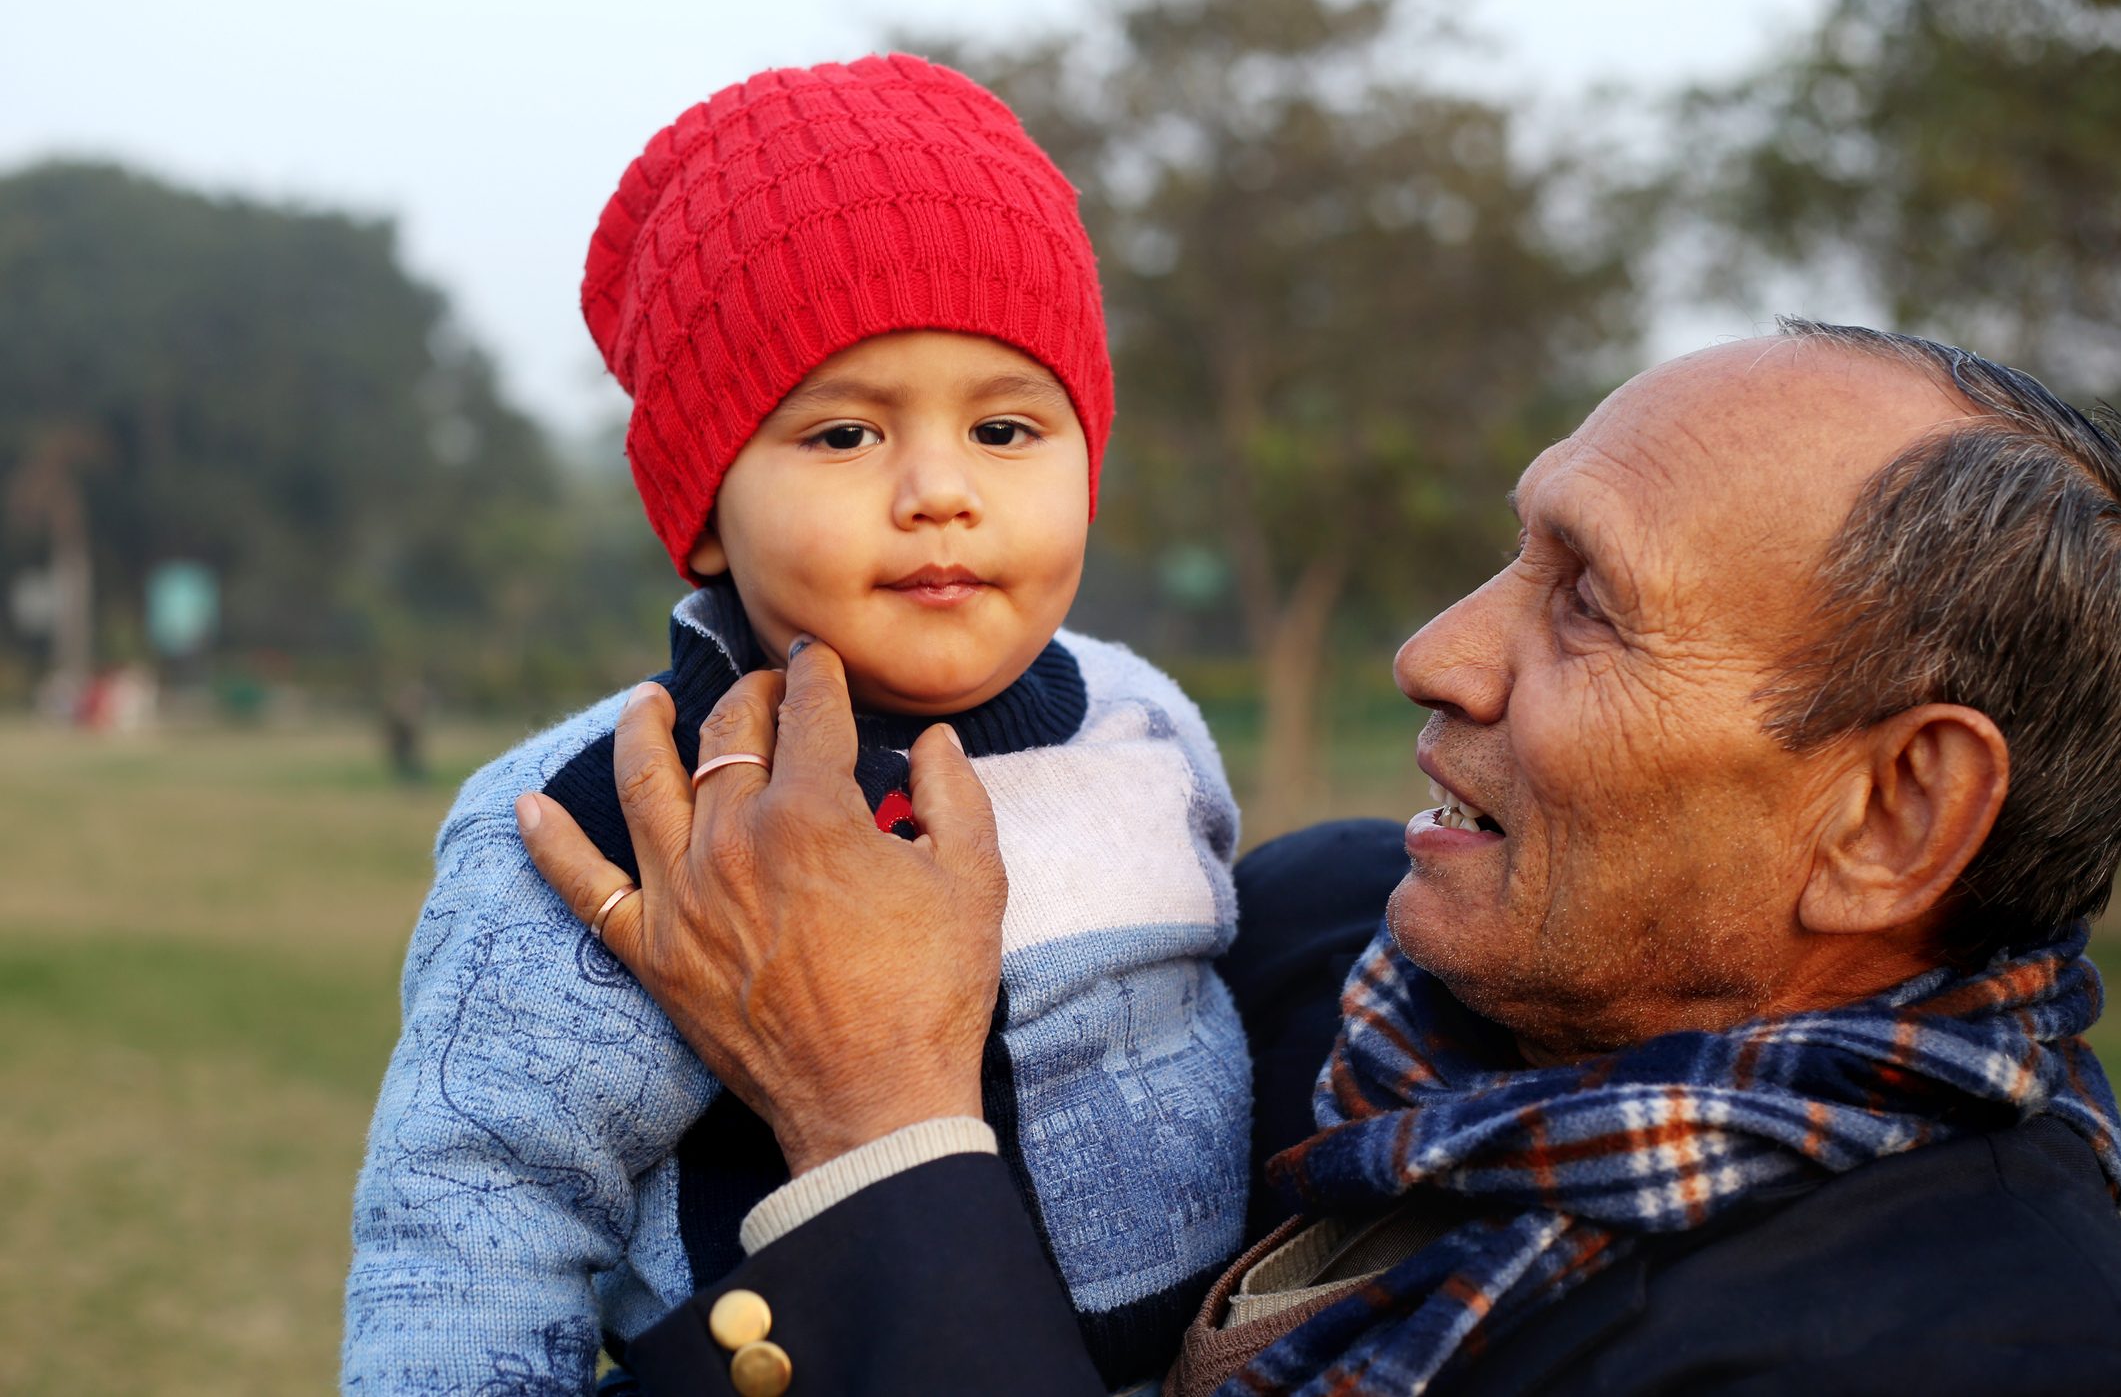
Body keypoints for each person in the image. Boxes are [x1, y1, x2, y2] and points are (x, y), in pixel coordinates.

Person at [519, 321, 2121, 1395]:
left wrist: (876, 1117)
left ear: (1887, 816)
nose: (1435, 652)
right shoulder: (1306, 934)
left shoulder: (1982, 1330)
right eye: (1517, 548)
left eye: (1588, 601)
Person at [343, 56, 1253, 1395]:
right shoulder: (601, 812)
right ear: (705, 510)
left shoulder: (1141, 725)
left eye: (1006, 427)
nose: (940, 489)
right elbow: (476, 1208)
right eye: (843, 436)